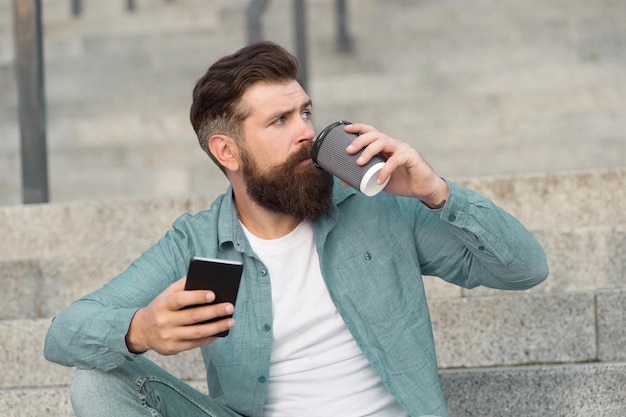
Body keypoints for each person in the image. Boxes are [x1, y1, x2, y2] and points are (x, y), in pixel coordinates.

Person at [44, 41, 549, 417]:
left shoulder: (379, 209)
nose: (306, 131)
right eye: (279, 120)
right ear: (227, 151)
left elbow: (525, 269)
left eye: (305, 112)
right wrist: (139, 330)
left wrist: (435, 190)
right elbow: (64, 333)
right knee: (97, 382)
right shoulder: (199, 244)